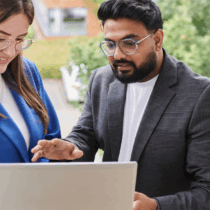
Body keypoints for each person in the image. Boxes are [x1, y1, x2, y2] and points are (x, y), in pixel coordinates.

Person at [31, 0, 210, 209]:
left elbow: (206, 190)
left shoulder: (199, 95)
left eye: (129, 43)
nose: (117, 55)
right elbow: (85, 135)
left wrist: (156, 206)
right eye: (110, 44)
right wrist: (71, 147)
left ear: (158, 40)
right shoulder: (101, 79)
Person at [0, 0, 61, 163]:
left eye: (19, 40)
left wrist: (61, 154)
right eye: (0, 39)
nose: (10, 51)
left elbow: (51, 140)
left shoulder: (27, 72)